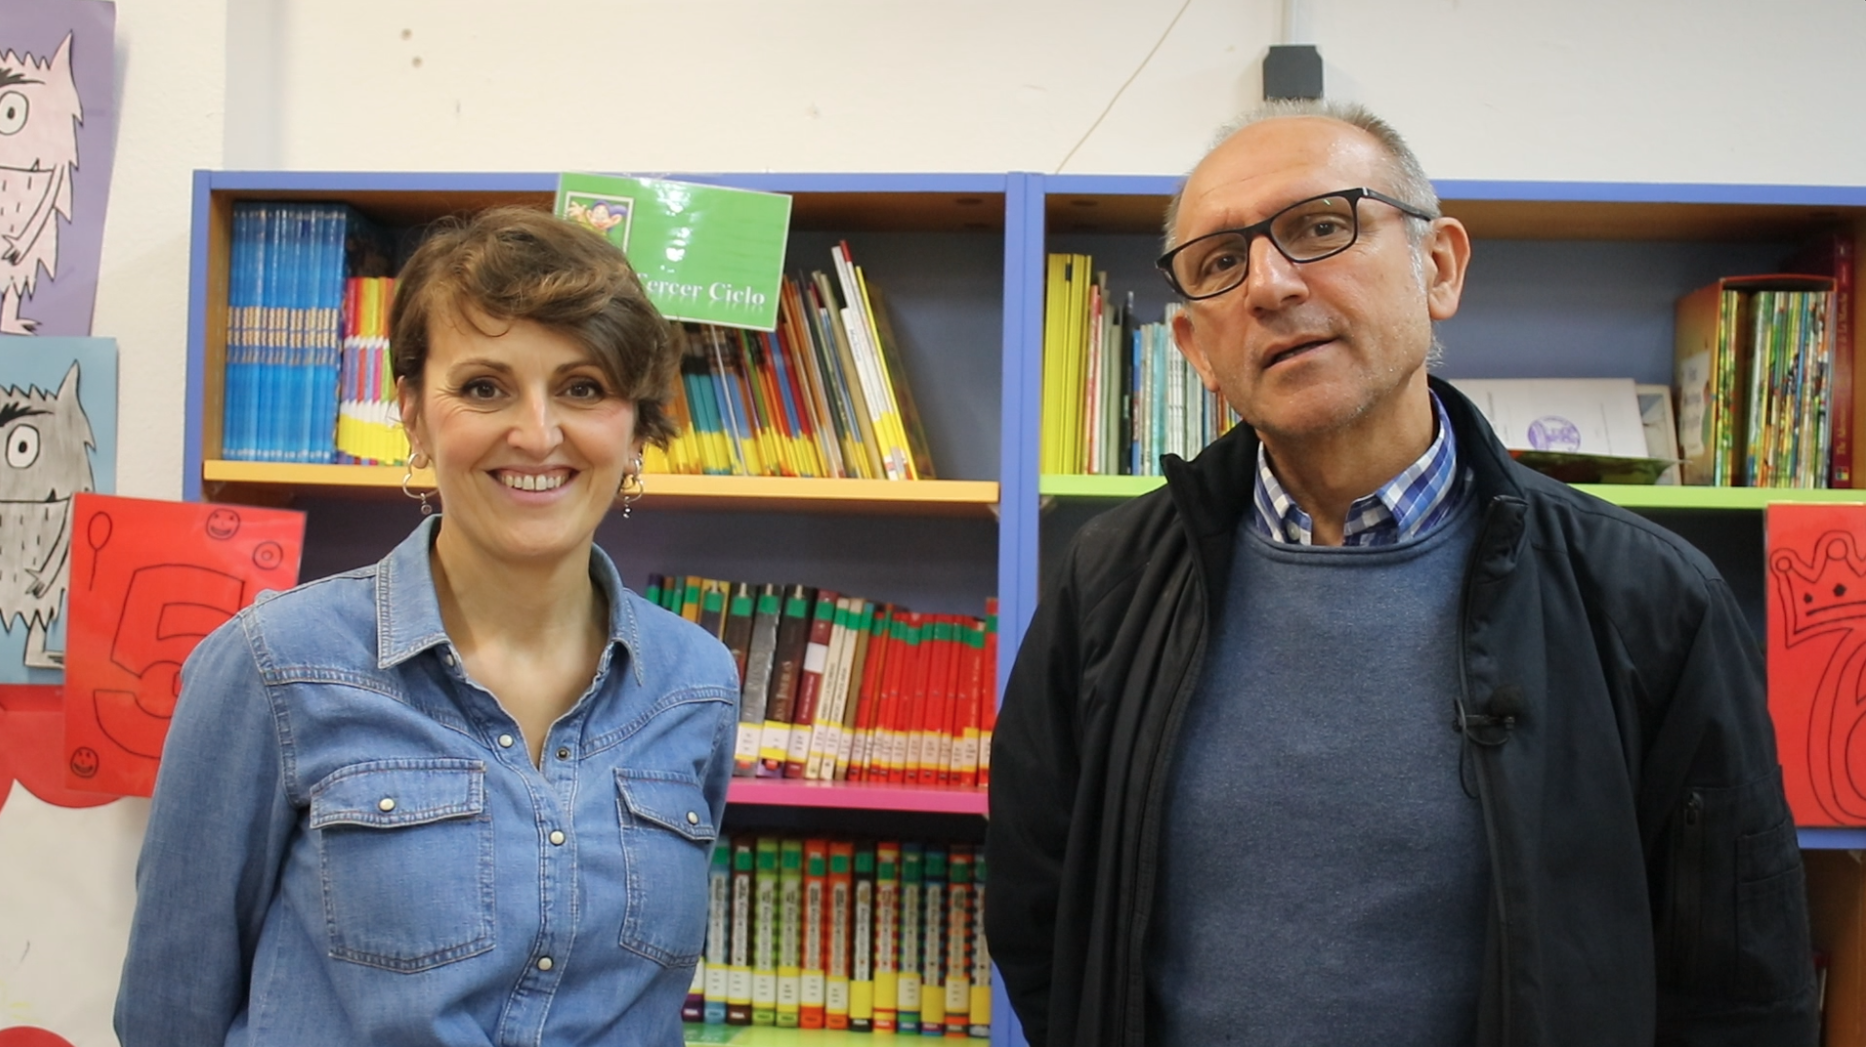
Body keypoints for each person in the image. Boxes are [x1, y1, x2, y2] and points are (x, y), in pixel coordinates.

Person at [985, 101, 1818, 1046]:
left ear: (1441, 265)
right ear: (1196, 353)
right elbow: (1037, 907)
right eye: (1219, 263)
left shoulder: (1647, 597)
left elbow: (1739, 982)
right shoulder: (1110, 581)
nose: (1268, 284)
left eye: (1320, 226)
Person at [116, 207, 739, 1045]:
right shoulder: (274, 665)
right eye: (485, 387)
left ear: (634, 425)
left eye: (583, 388)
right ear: (411, 411)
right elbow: (169, 1017)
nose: (537, 432)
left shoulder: (697, 681)